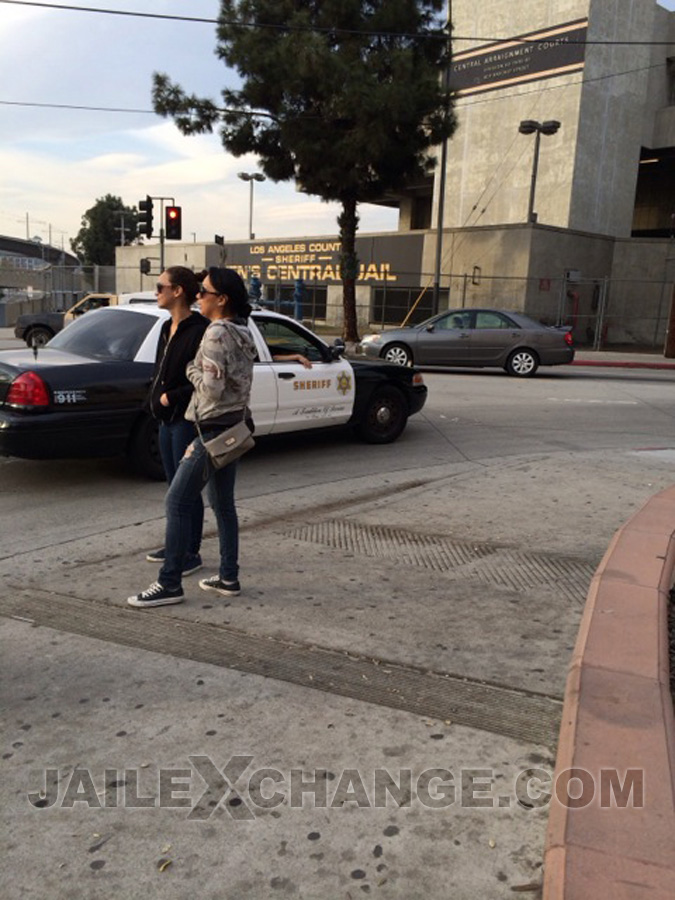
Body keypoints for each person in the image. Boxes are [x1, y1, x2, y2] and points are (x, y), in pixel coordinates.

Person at [128, 267, 257, 608]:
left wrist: (190, 369)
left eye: (205, 292)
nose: (199, 295)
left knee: (177, 501)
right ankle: (228, 576)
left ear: (222, 299)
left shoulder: (215, 333)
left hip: (211, 431)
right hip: (234, 428)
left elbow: (212, 389)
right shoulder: (242, 330)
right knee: (222, 505)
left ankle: (169, 582)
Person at [145, 267, 208, 576]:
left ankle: (190, 552)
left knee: (187, 489)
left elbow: (202, 379)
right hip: (164, 419)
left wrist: (172, 397)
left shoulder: (200, 330)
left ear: (178, 291)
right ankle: (175, 545)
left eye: (161, 286)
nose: (157, 291)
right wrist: (154, 398)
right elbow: (161, 370)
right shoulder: (165, 327)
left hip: (184, 419)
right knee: (174, 488)